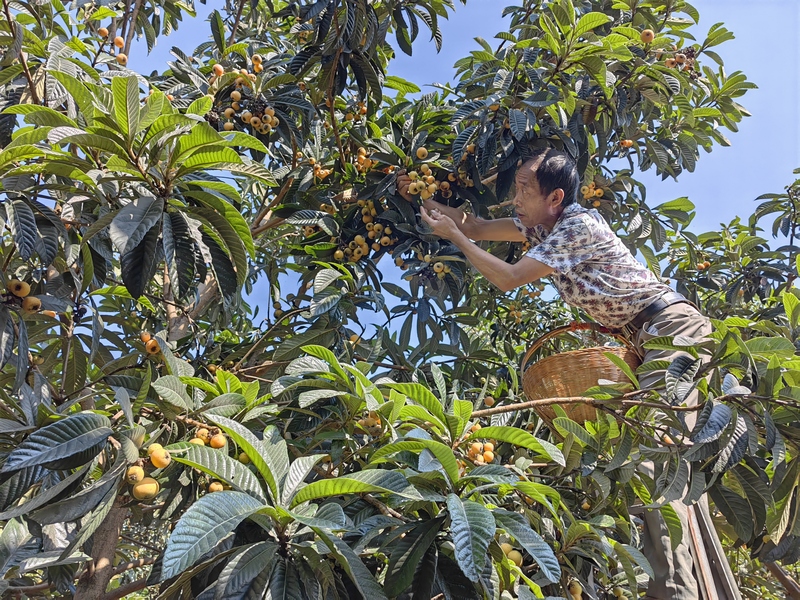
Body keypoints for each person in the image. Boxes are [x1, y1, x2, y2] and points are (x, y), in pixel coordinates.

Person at [397, 147, 741, 600]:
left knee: (653, 451)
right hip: (644, 340)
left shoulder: (575, 226)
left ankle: (677, 590)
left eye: (524, 188)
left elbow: (508, 277)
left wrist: (459, 243)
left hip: (671, 330)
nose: (514, 196)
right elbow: (476, 225)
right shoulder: (540, 226)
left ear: (555, 197)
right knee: (640, 450)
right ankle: (676, 578)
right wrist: (425, 203)